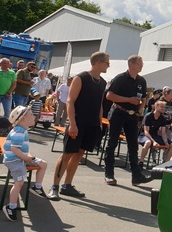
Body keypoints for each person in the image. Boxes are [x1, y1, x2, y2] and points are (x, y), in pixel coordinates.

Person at [48, 52, 110, 200]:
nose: (108, 65)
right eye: (107, 63)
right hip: (78, 123)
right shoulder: (81, 78)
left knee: (79, 155)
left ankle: (67, 186)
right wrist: (73, 124)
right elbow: (70, 101)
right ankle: (54, 187)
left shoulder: (102, 82)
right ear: (98, 63)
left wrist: (99, 122)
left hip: (92, 125)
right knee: (68, 154)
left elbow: (100, 104)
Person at [103, 55, 152, 186]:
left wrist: (140, 109)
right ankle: (109, 173)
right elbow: (109, 95)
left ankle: (136, 175)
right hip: (119, 112)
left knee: (133, 145)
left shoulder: (142, 81)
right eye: (139, 64)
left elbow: (144, 98)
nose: (142, 66)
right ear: (131, 64)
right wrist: (128, 99)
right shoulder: (120, 78)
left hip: (133, 115)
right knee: (112, 143)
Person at [2, 105, 48, 221]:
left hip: (21, 158)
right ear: (23, 119)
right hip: (14, 160)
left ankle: (37, 187)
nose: (34, 116)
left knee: (43, 164)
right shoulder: (19, 132)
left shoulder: (21, 130)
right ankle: (11, 207)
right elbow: (14, 149)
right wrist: (26, 158)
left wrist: (27, 157)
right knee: (19, 182)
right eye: (31, 114)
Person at [139, 101, 172, 165]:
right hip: (144, 136)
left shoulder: (162, 118)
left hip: (155, 136)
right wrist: (154, 142)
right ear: (156, 107)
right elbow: (146, 132)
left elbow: (163, 133)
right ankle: (141, 162)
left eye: (164, 107)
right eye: (161, 107)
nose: (163, 109)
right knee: (148, 142)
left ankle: (166, 164)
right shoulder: (148, 116)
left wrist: (166, 143)